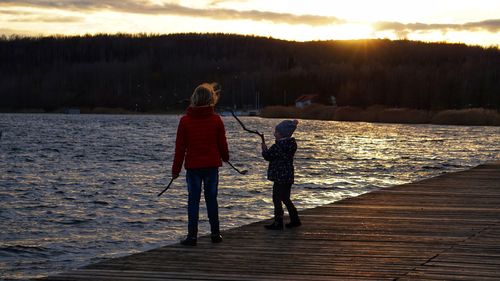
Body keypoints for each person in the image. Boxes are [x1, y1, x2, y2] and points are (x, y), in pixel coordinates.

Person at [171, 83, 229, 246]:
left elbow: (180, 148)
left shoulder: (185, 121)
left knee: (193, 201)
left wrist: (175, 171)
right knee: (212, 200)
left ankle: (192, 237)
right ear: (211, 99)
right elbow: (222, 144)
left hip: (193, 168)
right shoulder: (216, 120)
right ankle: (215, 234)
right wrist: (225, 157)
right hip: (211, 166)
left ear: (194, 98)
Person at [261, 119, 301, 230]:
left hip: (279, 176)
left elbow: (268, 156)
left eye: (276, 132)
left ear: (282, 134)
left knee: (276, 198)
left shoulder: (278, 146)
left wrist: (264, 150)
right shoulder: (292, 144)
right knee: (286, 198)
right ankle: (295, 219)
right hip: (288, 175)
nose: (274, 134)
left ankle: (278, 222)